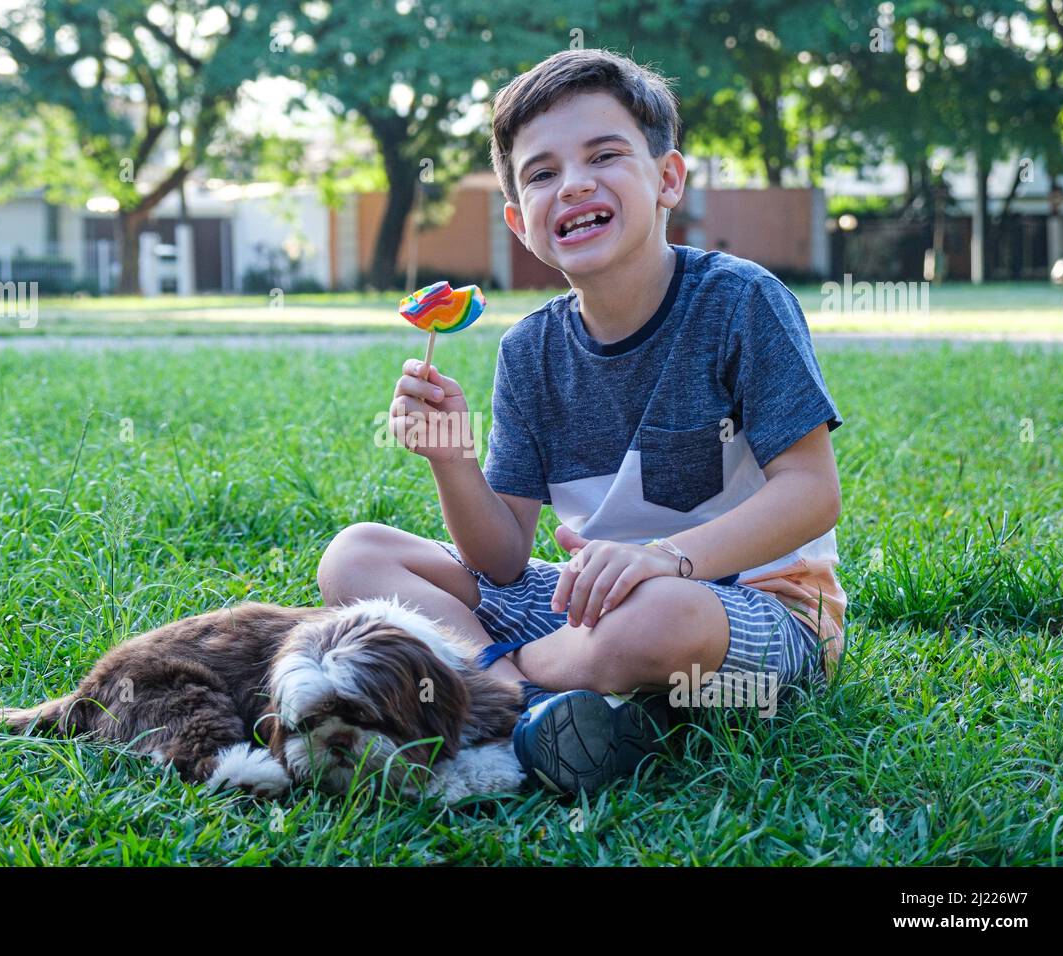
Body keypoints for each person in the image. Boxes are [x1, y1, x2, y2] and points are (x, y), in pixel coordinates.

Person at [318, 47, 847, 795]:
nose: (573, 185)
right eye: (541, 174)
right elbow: (501, 560)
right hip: (584, 603)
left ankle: (490, 693)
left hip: (752, 608)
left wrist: (664, 557)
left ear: (668, 178)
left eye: (605, 155)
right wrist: (451, 457)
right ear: (519, 220)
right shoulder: (530, 349)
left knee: (655, 617)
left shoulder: (739, 303)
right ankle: (549, 703)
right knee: (356, 554)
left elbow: (811, 494)